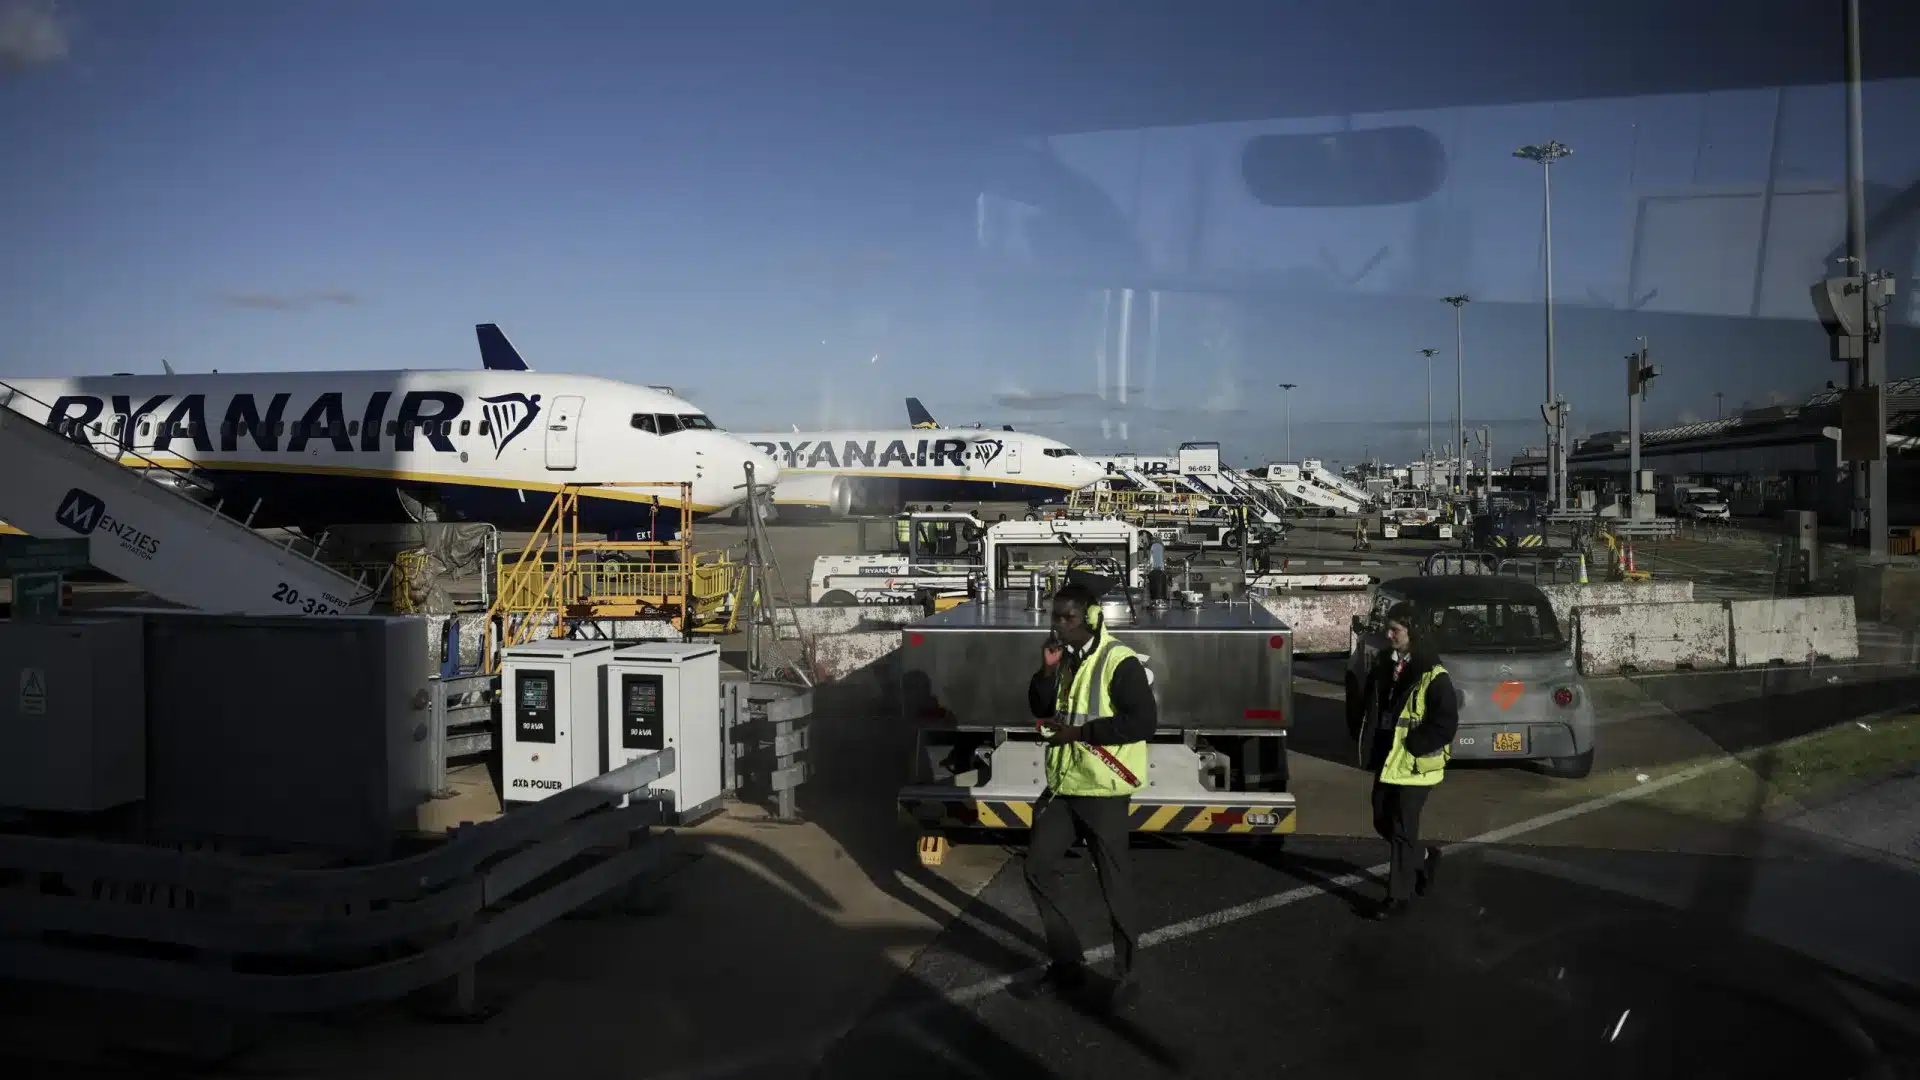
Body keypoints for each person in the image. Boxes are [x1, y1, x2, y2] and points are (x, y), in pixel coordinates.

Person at [1015, 582, 1157, 1008]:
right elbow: (1041, 708)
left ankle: (1127, 974)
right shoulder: (1064, 658)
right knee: (1037, 869)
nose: (1058, 625)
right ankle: (1067, 965)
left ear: (1092, 617)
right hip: (1063, 785)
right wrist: (1045, 671)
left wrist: (1080, 733)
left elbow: (1142, 723)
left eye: (1067, 617)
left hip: (1104, 788)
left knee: (1115, 883)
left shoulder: (1119, 661)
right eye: (1054, 617)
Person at [1351, 601, 1458, 920]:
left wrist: (1415, 743)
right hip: (1388, 759)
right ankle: (1423, 857)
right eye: (1388, 628)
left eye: (1395, 629)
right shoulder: (1386, 664)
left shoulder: (1434, 675)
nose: (1389, 634)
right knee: (1381, 819)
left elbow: (1446, 723)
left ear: (1413, 633)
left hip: (1415, 765)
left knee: (1400, 828)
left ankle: (1398, 897)